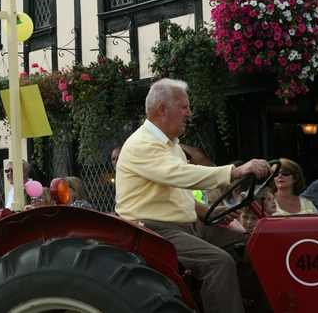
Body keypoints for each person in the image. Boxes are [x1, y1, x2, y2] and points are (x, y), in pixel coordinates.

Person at [115, 78, 271, 313]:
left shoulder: (172, 146)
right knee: (217, 262)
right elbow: (181, 175)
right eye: (185, 107)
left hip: (187, 226)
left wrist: (208, 211)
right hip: (154, 231)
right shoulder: (142, 144)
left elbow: (174, 193)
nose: (190, 113)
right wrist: (236, 171)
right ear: (162, 109)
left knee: (255, 245)